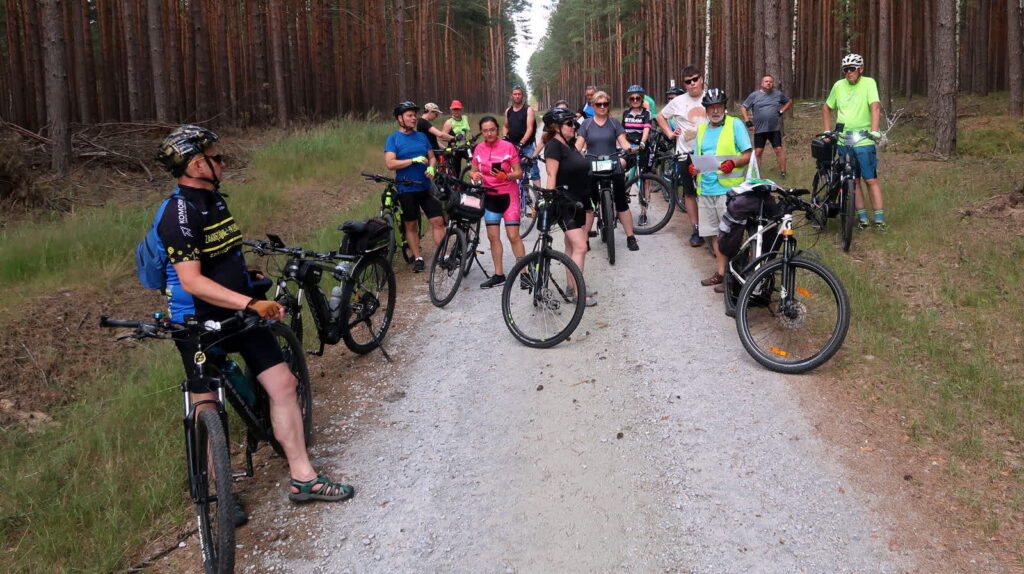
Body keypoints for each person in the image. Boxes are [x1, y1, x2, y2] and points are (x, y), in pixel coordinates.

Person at [153, 125, 354, 509]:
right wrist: (248, 303)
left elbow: (222, 256)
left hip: (240, 309)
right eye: (217, 157)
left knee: (282, 383)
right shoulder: (178, 213)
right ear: (197, 164)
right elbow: (192, 281)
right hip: (198, 322)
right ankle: (219, 496)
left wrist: (248, 281)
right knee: (206, 405)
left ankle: (303, 477)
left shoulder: (215, 201)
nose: (223, 162)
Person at [688, 89, 752, 293]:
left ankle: (737, 275)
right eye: (711, 107)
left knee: (731, 234)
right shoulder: (702, 129)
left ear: (725, 107)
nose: (715, 110)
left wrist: (733, 162)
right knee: (715, 234)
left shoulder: (735, 125)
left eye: (719, 106)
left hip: (729, 190)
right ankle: (722, 273)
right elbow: (699, 157)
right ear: (706, 110)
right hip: (706, 189)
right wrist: (694, 169)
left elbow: (748, 154)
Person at [823, 53, 886, 231]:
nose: (848, 73)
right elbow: (827, 107)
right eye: (845, 70)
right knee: (853, 180)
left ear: (860, 69)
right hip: (844, 140)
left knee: (870, 179)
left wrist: (874, 131)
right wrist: (828, 131)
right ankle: (863, 218)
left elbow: (875, 106)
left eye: (852, 69)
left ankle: (879, 219)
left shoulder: (869, 83)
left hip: (864, 139)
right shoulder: (838, 86)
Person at [542, 106, 596, 306]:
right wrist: (548, 201)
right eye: (569, 123)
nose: (574, 126)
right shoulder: (554, 146)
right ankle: (577, 294)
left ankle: (571, 285)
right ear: (556, 127)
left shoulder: (569, 144)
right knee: (581, 247)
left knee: (570, 246)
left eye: (574, 123)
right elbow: (551, 176)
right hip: (565, 203)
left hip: (578, 202)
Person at [384, 101, 446, 272]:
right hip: (407, 189)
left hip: (425, 187)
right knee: (410, 225)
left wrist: (432, 167)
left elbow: (431, 157)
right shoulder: (393, 139)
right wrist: (412, 161)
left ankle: (444, 255)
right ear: (400, 118)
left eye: (415, 115)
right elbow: (390, 163)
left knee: (438, 220)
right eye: (410, 115)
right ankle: (418, 257)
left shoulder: (421, 136)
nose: (414, 118)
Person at [576, 90, 640, 251]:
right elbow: (578, 145)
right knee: (590, 206)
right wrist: (573, 154)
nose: (602, 107)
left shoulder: (613, 123)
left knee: (621, 203)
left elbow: (623, 142)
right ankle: (585, 239)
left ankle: (630, 237)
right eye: (599, 104)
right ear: (593, 106)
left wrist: (631, 148)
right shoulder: (587, 124)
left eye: (605, 104)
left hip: (613, 164)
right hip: (592, 165)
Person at [470, 116, 527, 289]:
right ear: (482, 132)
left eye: (492, 130)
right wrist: (474, 175)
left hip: (508, 195)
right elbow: (472, 171)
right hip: (490, 197)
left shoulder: (508, 147)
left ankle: (524, 273)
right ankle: (498, 274)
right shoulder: (478, 149)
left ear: (497, 129)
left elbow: (518, 172)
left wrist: (507, 176)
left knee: (513, 236)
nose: (489, 133)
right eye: (485, 131)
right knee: (493, 237)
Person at [657, 65, 708, 247]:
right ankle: (696, 229)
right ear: (684, 84)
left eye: (695, 79)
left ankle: (712, 227)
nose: (693, 83)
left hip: (708, 153)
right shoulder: (678, 101)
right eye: (688, 81)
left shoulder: (710, 98)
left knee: (708, 190)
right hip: (685, 152)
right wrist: (669, 134)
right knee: (690, 192)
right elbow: (660, 116)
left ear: (701, 79)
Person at [741, 75, 793, 176]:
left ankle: (783, 173)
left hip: (774, 129)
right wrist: (747, 121)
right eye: (766, 81)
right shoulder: (754, 95)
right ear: (762, 83)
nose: (768, 83)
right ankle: (757, 174)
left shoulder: (778, 94)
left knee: (778, 149)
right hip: (760, 129)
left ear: (772, 84)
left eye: (770, 81)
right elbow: (743, 107)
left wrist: (781, 110)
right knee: (758, 152)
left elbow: (789, 102)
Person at [503, 85, 540, 190]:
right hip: (512, 147)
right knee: (514, 170)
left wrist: (521, 143)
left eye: (519, 94)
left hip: (527, 146)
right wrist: (505, 138)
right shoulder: (508, 111)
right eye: (515, 94)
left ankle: (540, 199)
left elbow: (530, 129)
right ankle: (517, 193)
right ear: (512, 96)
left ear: (522, 96)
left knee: (534, 171)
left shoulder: (528, 110)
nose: (517, 96)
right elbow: (505, 126)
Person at [442, 100, 471, 175]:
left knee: (474, 162)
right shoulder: (449, 122)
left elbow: (468, 131)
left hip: (466, 147)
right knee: (456, 171)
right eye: (454, 109)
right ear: (451, 110)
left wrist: (471, 139)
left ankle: (475, 182)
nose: (456, 111)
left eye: (458, 109)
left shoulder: (465, 118)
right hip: (455, 149)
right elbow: (443, 137)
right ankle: (456, 186)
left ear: (461, 109)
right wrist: (454, 138)